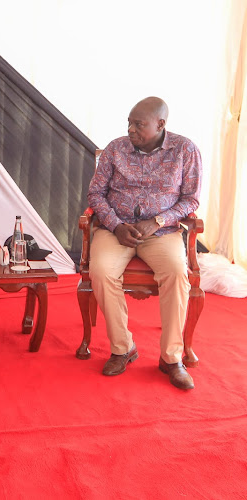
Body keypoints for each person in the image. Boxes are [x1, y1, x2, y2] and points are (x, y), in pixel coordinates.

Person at [87, 97, 202, 390]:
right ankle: (123, 348)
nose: (130, 129)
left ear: (160, 124)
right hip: (117, 231)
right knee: (100, 271)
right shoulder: (115, 149)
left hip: (160, 234)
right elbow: (96, 194)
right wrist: (115, 224)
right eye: (129, 122)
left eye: (138, 124)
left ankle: (171, 359)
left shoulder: (185, 150)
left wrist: (158, 221)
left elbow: (190, 199)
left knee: (178, 274)